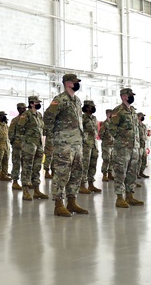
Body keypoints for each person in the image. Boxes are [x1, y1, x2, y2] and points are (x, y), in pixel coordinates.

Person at [42, 73, 88, 217]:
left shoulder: (77, 101)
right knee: (62, 173)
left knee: (76, 173)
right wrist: (55, 136)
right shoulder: (60, 100)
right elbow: (48, 117)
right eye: (75, 82)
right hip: (64, 144)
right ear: (68, 83)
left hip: (77, 143)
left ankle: (72, 201)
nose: (77, 84)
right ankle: (58, 204)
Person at [106, 87, 143, 208]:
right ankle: (119, 198)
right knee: (120, 173)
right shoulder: (119, 110)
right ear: (123, 97)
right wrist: (122, 140)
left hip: (134, 148)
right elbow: (112, 128)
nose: (132, 97)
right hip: (123, 148)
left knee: (132, 173)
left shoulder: (132, 110)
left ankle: (130, 196)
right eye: (129, 95)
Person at [16, 95, 46, 201]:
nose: (39, 104)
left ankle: (36, 190)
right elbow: (19, 129)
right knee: (27, 168)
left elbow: (42, 129)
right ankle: (25, 191)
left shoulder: (39, 115)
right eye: (37, 102)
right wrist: (23, 143)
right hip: (29, 145)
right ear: (32, 103)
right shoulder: (26, 115)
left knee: (37, 168)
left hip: (38, 145)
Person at [79, 99, 101, 194]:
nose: (93, 108)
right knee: (84, 165)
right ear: (87, 107)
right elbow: (79, 130)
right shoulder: (82, 118)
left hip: (94, 144)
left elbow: (95, 131)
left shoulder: (94, 118)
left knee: (93, 164)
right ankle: (82, 185)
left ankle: (91, 184)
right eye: (91, 107)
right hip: (85, 145)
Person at [8, 102, 26, 190]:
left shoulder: (27, 119)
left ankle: (25, 182)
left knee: (26, 164)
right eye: (22, 108)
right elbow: (10, 132)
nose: (24, 110)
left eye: (24, 108)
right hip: (17, 145)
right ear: (18, 109)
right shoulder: (15, 120)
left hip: (26, 146)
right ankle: (15, 182)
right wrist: (13, 142)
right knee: (16, 163)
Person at [100, 108, 115, 181]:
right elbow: (101, 134)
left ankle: (110, 173)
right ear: (107, 114)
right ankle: (104, 175)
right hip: (106, 145)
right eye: (110, 113)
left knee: (112, 160)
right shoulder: (105, 123)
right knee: (106, 160)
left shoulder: (113, 123)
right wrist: (105, 140)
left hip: (113, 145)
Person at [137, 113, 150, 180]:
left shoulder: (144, 126)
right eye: (141, 116)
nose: (142, 117)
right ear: (138, 117)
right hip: (138, 146)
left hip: (143, 145)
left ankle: (141, 172)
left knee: (144, 160)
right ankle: (137, 173)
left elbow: (145, 135)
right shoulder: (136, 125)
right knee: (138, 160)